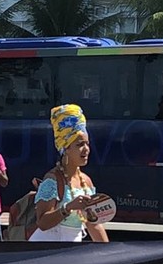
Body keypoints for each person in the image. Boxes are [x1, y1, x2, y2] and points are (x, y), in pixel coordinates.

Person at [30, 104, 108, 243]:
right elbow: (42, 223)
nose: (86, 149)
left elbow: (93, 225)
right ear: (65, 149)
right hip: (47, 249)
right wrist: (68, 207)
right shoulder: (53, 180)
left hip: (72, 250)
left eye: (87, 143)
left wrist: (109, 252)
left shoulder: (86, 182)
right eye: (79, 145)